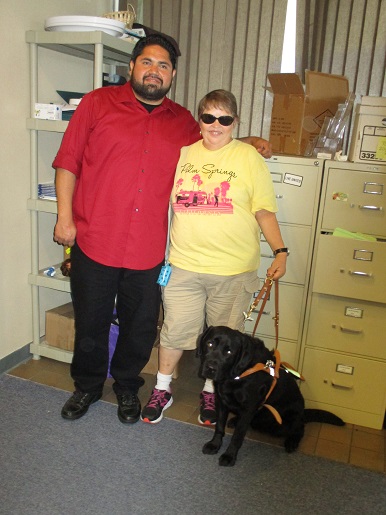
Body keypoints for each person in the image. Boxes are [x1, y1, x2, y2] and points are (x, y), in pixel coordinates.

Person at [53, 34, 272, 424]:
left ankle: (125, 386)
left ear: (173, 74)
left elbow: (213, 143)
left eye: (164, 65)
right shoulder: (97, 104)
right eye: (148, 62)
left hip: (149, 249)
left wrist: (248, 142)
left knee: (139, 327)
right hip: (95, 239)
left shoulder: (184, 121)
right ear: (133, 66)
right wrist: (64, 218)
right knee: (91, 321)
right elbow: (68, 163)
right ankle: (86, 386)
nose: (155, 71)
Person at [141, 89, 288, 425]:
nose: (216, 125)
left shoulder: (248, 157)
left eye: (224, 119)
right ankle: (162, 388)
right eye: (209, 117)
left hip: (232, 270)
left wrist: (280, 251)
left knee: (224, 340)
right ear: (200, 119)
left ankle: (212, 393)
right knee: (175, 330)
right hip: (183, 265)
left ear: (234, 122)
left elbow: (264, 210)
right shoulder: (184, 153)